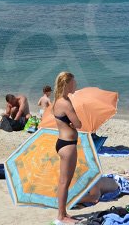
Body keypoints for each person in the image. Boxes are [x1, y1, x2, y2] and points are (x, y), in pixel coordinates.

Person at [52, 72, 82, 225]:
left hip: (64, 142)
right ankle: (60, 216)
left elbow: (70, 122)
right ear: (67, 84)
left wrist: (71, 123)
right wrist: (74, 123)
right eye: (74, 82)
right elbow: (78, 124)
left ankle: (63, 213)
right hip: (67, 145)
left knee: (65, 181)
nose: (76, 84)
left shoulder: (60, 100)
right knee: (64, 182)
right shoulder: (64, 102)